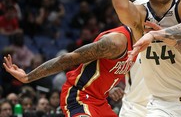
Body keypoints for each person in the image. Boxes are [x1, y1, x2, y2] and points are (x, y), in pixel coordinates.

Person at [3, 25, 137, 117]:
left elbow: (104, 70)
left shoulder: (141, 44)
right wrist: (28, 77)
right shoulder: (115, 42)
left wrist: (108, 89)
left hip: (99, 100)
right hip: (78, 95)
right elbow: (66, 59)